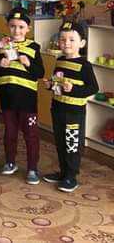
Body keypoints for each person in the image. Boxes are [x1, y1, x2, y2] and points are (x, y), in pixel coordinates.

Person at [43, 22, 98, 192]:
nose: (66, 43)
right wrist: (50, 85)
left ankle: (71, 176)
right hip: (58, 108)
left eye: (72, 40)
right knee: (60, 142)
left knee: (72, 144)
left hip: (74, 113)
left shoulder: (84, 65)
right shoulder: (59, 60)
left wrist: (73, 89)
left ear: (82, 43)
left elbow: (93, 88)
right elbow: (58, 82)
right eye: (62, 39)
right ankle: (63, 172)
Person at [0, 8, 44, 184]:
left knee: (31, 135)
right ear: (8, 26)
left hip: (27, 101)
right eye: (13, 26)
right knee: (9, 133)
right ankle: (10, 162)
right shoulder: (2, 46)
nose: (16, 30)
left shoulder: (33, 47)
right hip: (8, 99)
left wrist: (28, 63)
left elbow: (40, 73)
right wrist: (0, 64)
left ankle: (32, 168)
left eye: (21, 27)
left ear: (28, 29)